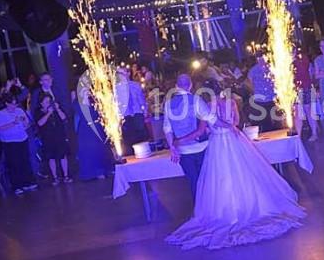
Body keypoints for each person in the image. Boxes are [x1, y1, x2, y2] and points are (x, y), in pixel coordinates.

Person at [166, 81, 305, 250]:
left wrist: (180, 140)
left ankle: (225, 211)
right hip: (234, 140)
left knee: (220, 178)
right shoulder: (231, 103)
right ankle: (249, 204)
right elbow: (237, 122)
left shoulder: (205, 106)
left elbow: (206, 128)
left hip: (216, 143)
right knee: (246, 173)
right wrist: (229, 126)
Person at [162, 73, 216, 203]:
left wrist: (172, 147)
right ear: (190, 85)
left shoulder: (168, 104)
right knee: (207, 182)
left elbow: (167, 128)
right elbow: (211, 119)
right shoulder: (196, 100)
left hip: (183, 151)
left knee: (193, 182)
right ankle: (210, 209)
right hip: (202, 147)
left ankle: (199, 211)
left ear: (176, 86)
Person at [73, 79, 115, 181]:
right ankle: (94, 172)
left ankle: (104, 169)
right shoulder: (77, 102)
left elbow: (98, 113)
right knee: (90, 150)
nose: (87, 90)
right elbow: (82, 114)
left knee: (100, 148)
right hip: (86, 130)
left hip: (97, 127)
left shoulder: (93, 100)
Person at [0, 96, 36, 195]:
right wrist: (14, 123)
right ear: (7, 103)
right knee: (14, 163)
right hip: (10, 142)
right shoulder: (1, 114)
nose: (14, 106)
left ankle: (28, 182)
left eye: (15, 103)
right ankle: (17, 185)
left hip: (22, 139)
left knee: (25, 161)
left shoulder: (19, 111)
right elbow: (0, 128)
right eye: (12, 104)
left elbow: (27, 124)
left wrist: (25, 123)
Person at [34, 90, 72, 184]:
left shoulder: (56, 110)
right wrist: (48, 113)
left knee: (63, 156)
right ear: (41, 103)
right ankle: (55, 177)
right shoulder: (38, 111)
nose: (48, 104)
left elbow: (64, 118)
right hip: (47, 138)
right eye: (46, 102)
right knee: (51, 158)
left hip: (59, 136)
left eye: (49, 101)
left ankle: (66, 176)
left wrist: (58, 109)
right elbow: (40, 123)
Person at [116, 66, 149, 147]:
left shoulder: (135, 85)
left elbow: (141, 99)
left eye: (122, 73)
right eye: (119, 74)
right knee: (129, 136)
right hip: (125, 115)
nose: (121, 75)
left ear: (128, 73)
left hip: (137, 113)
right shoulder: (116, 88)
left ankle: (143, 151)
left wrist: (145, 111)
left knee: (141, 134)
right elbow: (117, 103)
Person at [293, 45, 317, 141]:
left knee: (308, 110)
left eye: (292, 49)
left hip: (306, 87)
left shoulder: (302, 59)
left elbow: (305, 72)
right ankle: (298, 136)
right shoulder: (286, 62)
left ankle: (314, 133)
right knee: (297, 112)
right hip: (294, 89)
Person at [247, 54, 276, 133]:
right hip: (268, 97)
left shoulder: (254, 70)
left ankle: (268, 132)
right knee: (270, 118)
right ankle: (272, 131)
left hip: (264, 98)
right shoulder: (271, 68)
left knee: (265, 118)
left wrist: (254, 91)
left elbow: (248, 83)